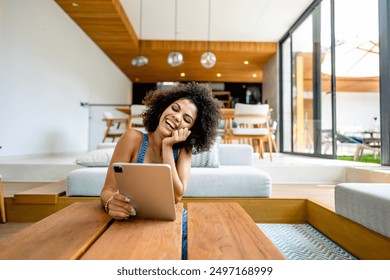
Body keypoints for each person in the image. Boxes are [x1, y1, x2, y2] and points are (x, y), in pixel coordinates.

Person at [100, 82, 222, 259]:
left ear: (190, 130)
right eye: (175, 108)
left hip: (168, 223)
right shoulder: (132, 138)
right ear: (163, 108)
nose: (177, 117)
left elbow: (177, 195)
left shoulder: (183, 151)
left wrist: (167, 147)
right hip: (130, 219)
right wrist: (110, 202)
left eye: (187, 119)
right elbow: (106, 191)